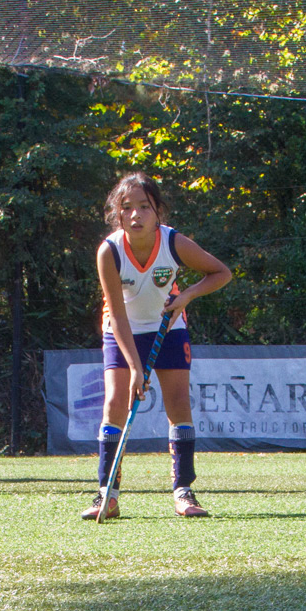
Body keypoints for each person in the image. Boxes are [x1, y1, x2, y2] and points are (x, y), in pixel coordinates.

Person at [84, 173, 232, 519]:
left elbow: (220, 273)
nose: (136, 215)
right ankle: (108, 493)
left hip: (169, 327)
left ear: (157, 212)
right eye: (127, 208)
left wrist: (187, 296)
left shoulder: (174, 243)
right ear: (117, 215)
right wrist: (136, 368)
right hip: (122, 330)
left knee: (179, 404)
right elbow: (117, 315)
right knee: (114, 403)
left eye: (144, 207)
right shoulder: (109, 252)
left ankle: (183, 490)